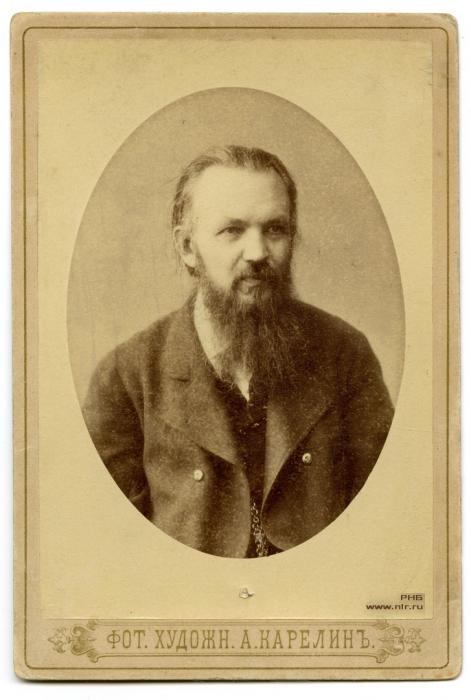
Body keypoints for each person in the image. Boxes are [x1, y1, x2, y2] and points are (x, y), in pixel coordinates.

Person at [82, 145, 394, 558]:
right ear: (187, 247)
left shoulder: (345, 355)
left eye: (275, 229)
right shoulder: (126, 377)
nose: (258, 253)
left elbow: (384, 521)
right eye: (232, 230)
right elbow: (111, 551)